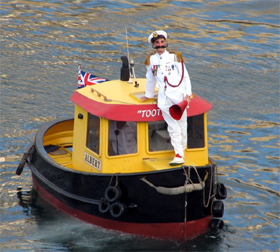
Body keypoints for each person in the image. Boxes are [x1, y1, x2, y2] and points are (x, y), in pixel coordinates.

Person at [141, 30, 192, 166]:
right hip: (164, 98)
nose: (160, 45)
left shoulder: (175, 57)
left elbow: (185, 76)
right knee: (173, 126)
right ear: (153, 45)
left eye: (162, 42)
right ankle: (179, 154)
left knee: (182, 124)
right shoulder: (151, 60)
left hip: (178, 95)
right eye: (157, 43)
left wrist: (188, 95)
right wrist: (148, 95)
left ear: (165, 43)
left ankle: (182, 150)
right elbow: (150, 78)